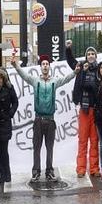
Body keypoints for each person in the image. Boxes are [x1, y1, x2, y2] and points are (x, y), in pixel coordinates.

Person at [12, 54, 79, 182]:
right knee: (36, 148)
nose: (45, 66)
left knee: (49, 148)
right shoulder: (35, 80)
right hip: (38, 120)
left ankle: (49, 171)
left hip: (50, 120)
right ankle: (36, 172)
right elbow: (24, 75)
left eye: (47, 64)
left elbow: (66, 79)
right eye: (43, 64)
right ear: (40, 66)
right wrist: (16, 66)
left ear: (49, 66)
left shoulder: (55, 81)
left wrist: (75, 72)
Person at [65, 41, 100, 178]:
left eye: (92, 54)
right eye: (88, 54)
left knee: (95, 141)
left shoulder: (100, 69)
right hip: (84, 110)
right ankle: (80, 169)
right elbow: (70, 61)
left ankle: (94, 168)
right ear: (86, 56)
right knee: (83, 140)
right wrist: (68, 48)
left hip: (96, 110)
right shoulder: (80, 66)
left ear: (95, 56)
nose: (90, 56)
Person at [0, 68, 18, 186]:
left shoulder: (9, 89)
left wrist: (10, 113)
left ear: (4, 79)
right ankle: (2, 174)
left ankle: (8, 174)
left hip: (5, 123)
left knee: (4, 151)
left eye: (1, 78)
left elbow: (15, 102)